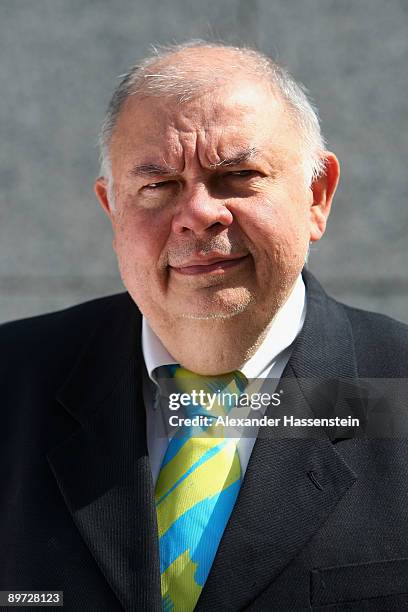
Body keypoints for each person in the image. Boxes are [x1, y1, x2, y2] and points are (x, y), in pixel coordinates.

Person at [1, 41, 408, 612]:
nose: (197, 213)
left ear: (317, 196)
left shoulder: (398, 388)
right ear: (113, 210)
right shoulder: (11, 383)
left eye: (238, 175)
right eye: (158, 185)